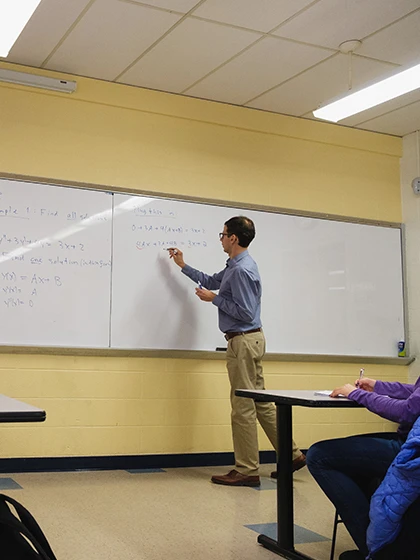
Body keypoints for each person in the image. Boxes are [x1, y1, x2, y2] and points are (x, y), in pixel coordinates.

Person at [168, 216, 305, 487]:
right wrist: (183, 265)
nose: (220, 238)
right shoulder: (235, 265)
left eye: (223, 234)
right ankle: (292, 456)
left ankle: (247, 469)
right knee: (261, 403)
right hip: (250, 340)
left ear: (233, 238)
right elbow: (211, 280)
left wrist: (214, 299)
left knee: (242, 406)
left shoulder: (242, 270)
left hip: (243, 341)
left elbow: (244, 311)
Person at [306, 375, 420, 559]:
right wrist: (379, 386)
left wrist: (357, 394)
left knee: (319, 456)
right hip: (410, 440)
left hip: (413, 452)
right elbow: (415, 394)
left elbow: (407, 411)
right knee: (350, 456)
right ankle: (391, 538)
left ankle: (377, 551)